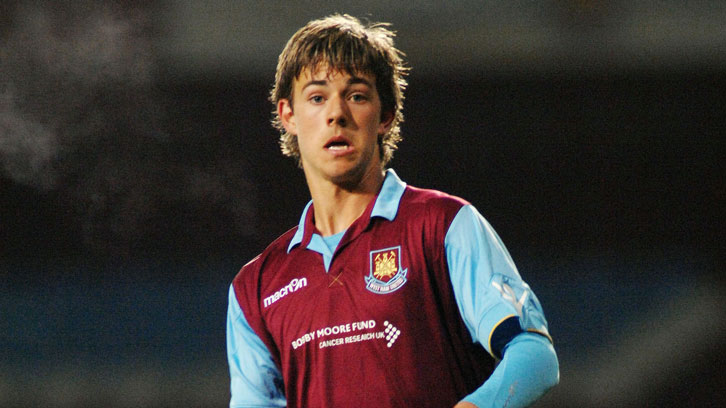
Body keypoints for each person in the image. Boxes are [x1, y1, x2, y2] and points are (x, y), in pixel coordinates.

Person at [226, 14, 559, 408]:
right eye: (317, 97)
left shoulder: (442, 226)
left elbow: (534, 355)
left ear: (384, 117)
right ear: (288, 115)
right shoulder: (256, 288)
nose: (337, 114)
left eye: (357, 96)